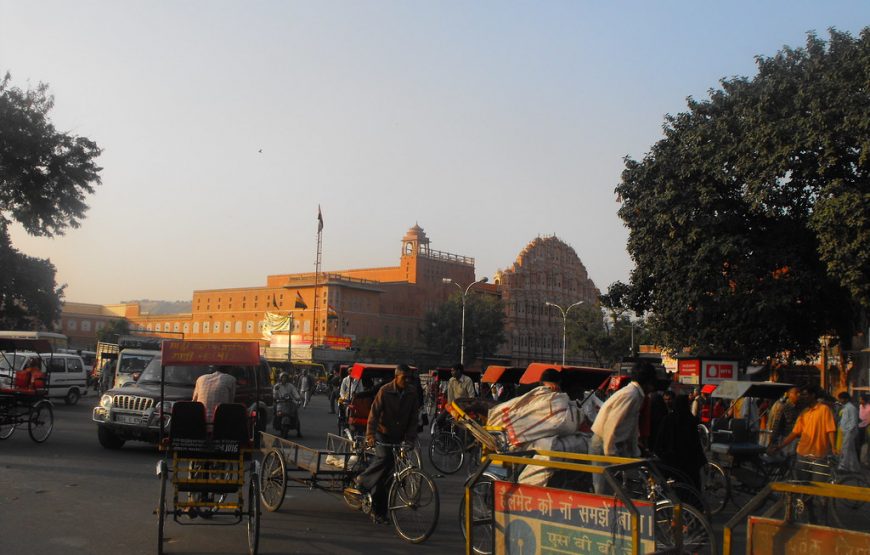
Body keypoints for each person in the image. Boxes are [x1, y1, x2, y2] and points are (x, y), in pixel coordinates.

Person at [350, 364, 419, 524]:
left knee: (388, 477)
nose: (407, 381)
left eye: (409, 378)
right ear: (396, 377)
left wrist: (410, 439)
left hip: (398, 435)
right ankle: (362, 480)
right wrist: (370, 435)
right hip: (382, 433)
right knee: (385, 457)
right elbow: (373, 414)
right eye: (404, 378)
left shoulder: (412, 393)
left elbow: (413, 418)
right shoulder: (385, 391)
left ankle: (380, 511)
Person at [589, 362, 658, 494]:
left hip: (613, 445)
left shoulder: (636, 395)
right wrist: (610, 453)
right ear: (648, 382)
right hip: (603, 444)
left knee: (618, 488)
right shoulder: (630, 395)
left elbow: (631, 427)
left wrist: (635, 453)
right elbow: (611, 423)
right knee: (602, 492)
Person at [770, 384, 837, 480]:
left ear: (813, 395)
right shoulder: (804, 412)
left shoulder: (824, 410)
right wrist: (780, 446)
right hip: (802, 454)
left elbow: (830, 429)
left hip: (819, 455)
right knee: (802, 484)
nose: (802, 397)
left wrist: (833, 447)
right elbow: (795, 433)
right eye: (801, 395)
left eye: (805, 395)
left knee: (818, 486)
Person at [654, 394, 707, 489]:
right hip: (690, 462)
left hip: (673, 461)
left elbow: (660, 440)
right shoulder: (691, 420)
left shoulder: (668, 419)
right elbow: (696, 442)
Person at [767, 387, 801, 455]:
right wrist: (773, 441)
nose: (798, 395)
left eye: (799, 393)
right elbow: (777, 425)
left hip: (798, 440)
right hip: (787, 440)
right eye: (796, 393)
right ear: (789, 394)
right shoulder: (784, 407)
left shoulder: (800, 407)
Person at [836, 391, 861, 472]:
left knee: (845, 449)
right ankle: (854, 468)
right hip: (845, 431)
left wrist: (849, 431)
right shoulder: (845, 408)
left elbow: (853, 421)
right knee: (851, 450)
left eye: (841, 399)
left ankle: (842, 467)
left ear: (845, 399)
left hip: (849, 432)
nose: (840, 400)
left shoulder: (851, 408)